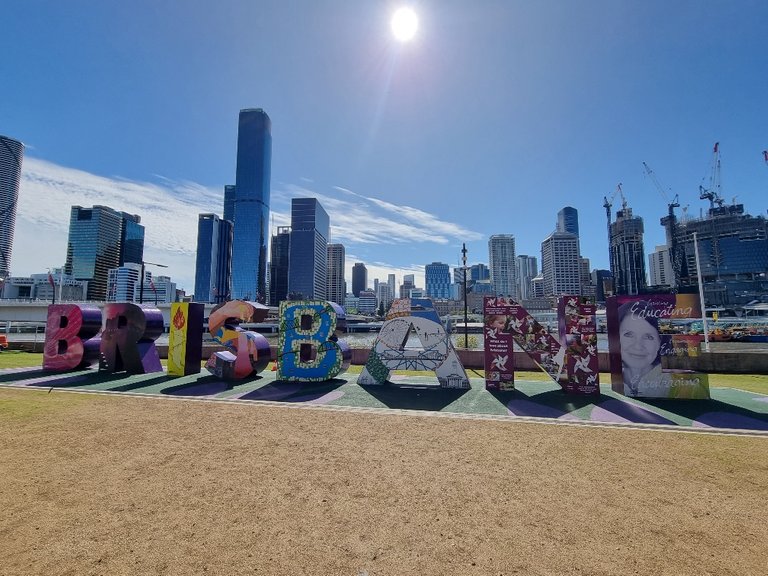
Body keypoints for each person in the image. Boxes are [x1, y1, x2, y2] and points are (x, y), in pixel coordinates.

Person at [617, 300, 671, 397]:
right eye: (628, 334)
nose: (638, 346)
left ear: (660, 341)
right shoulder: (617, 382)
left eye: (648, 337)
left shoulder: (680, 386)